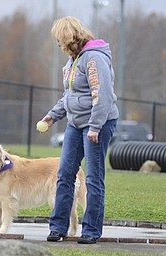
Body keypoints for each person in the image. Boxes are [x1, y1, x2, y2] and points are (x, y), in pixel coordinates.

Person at [40, 16, 119, 244]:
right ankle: (58, 228)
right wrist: (53, 115)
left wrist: (95, 127)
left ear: (68, 38)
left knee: (93, 178)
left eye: (59, 40)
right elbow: (70, 95)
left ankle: (91, 231)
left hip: (98, 124)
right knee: (64, 174)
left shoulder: (93, 58)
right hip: (76, 124)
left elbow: (101, 95)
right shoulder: (73, 61)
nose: (58, 45)